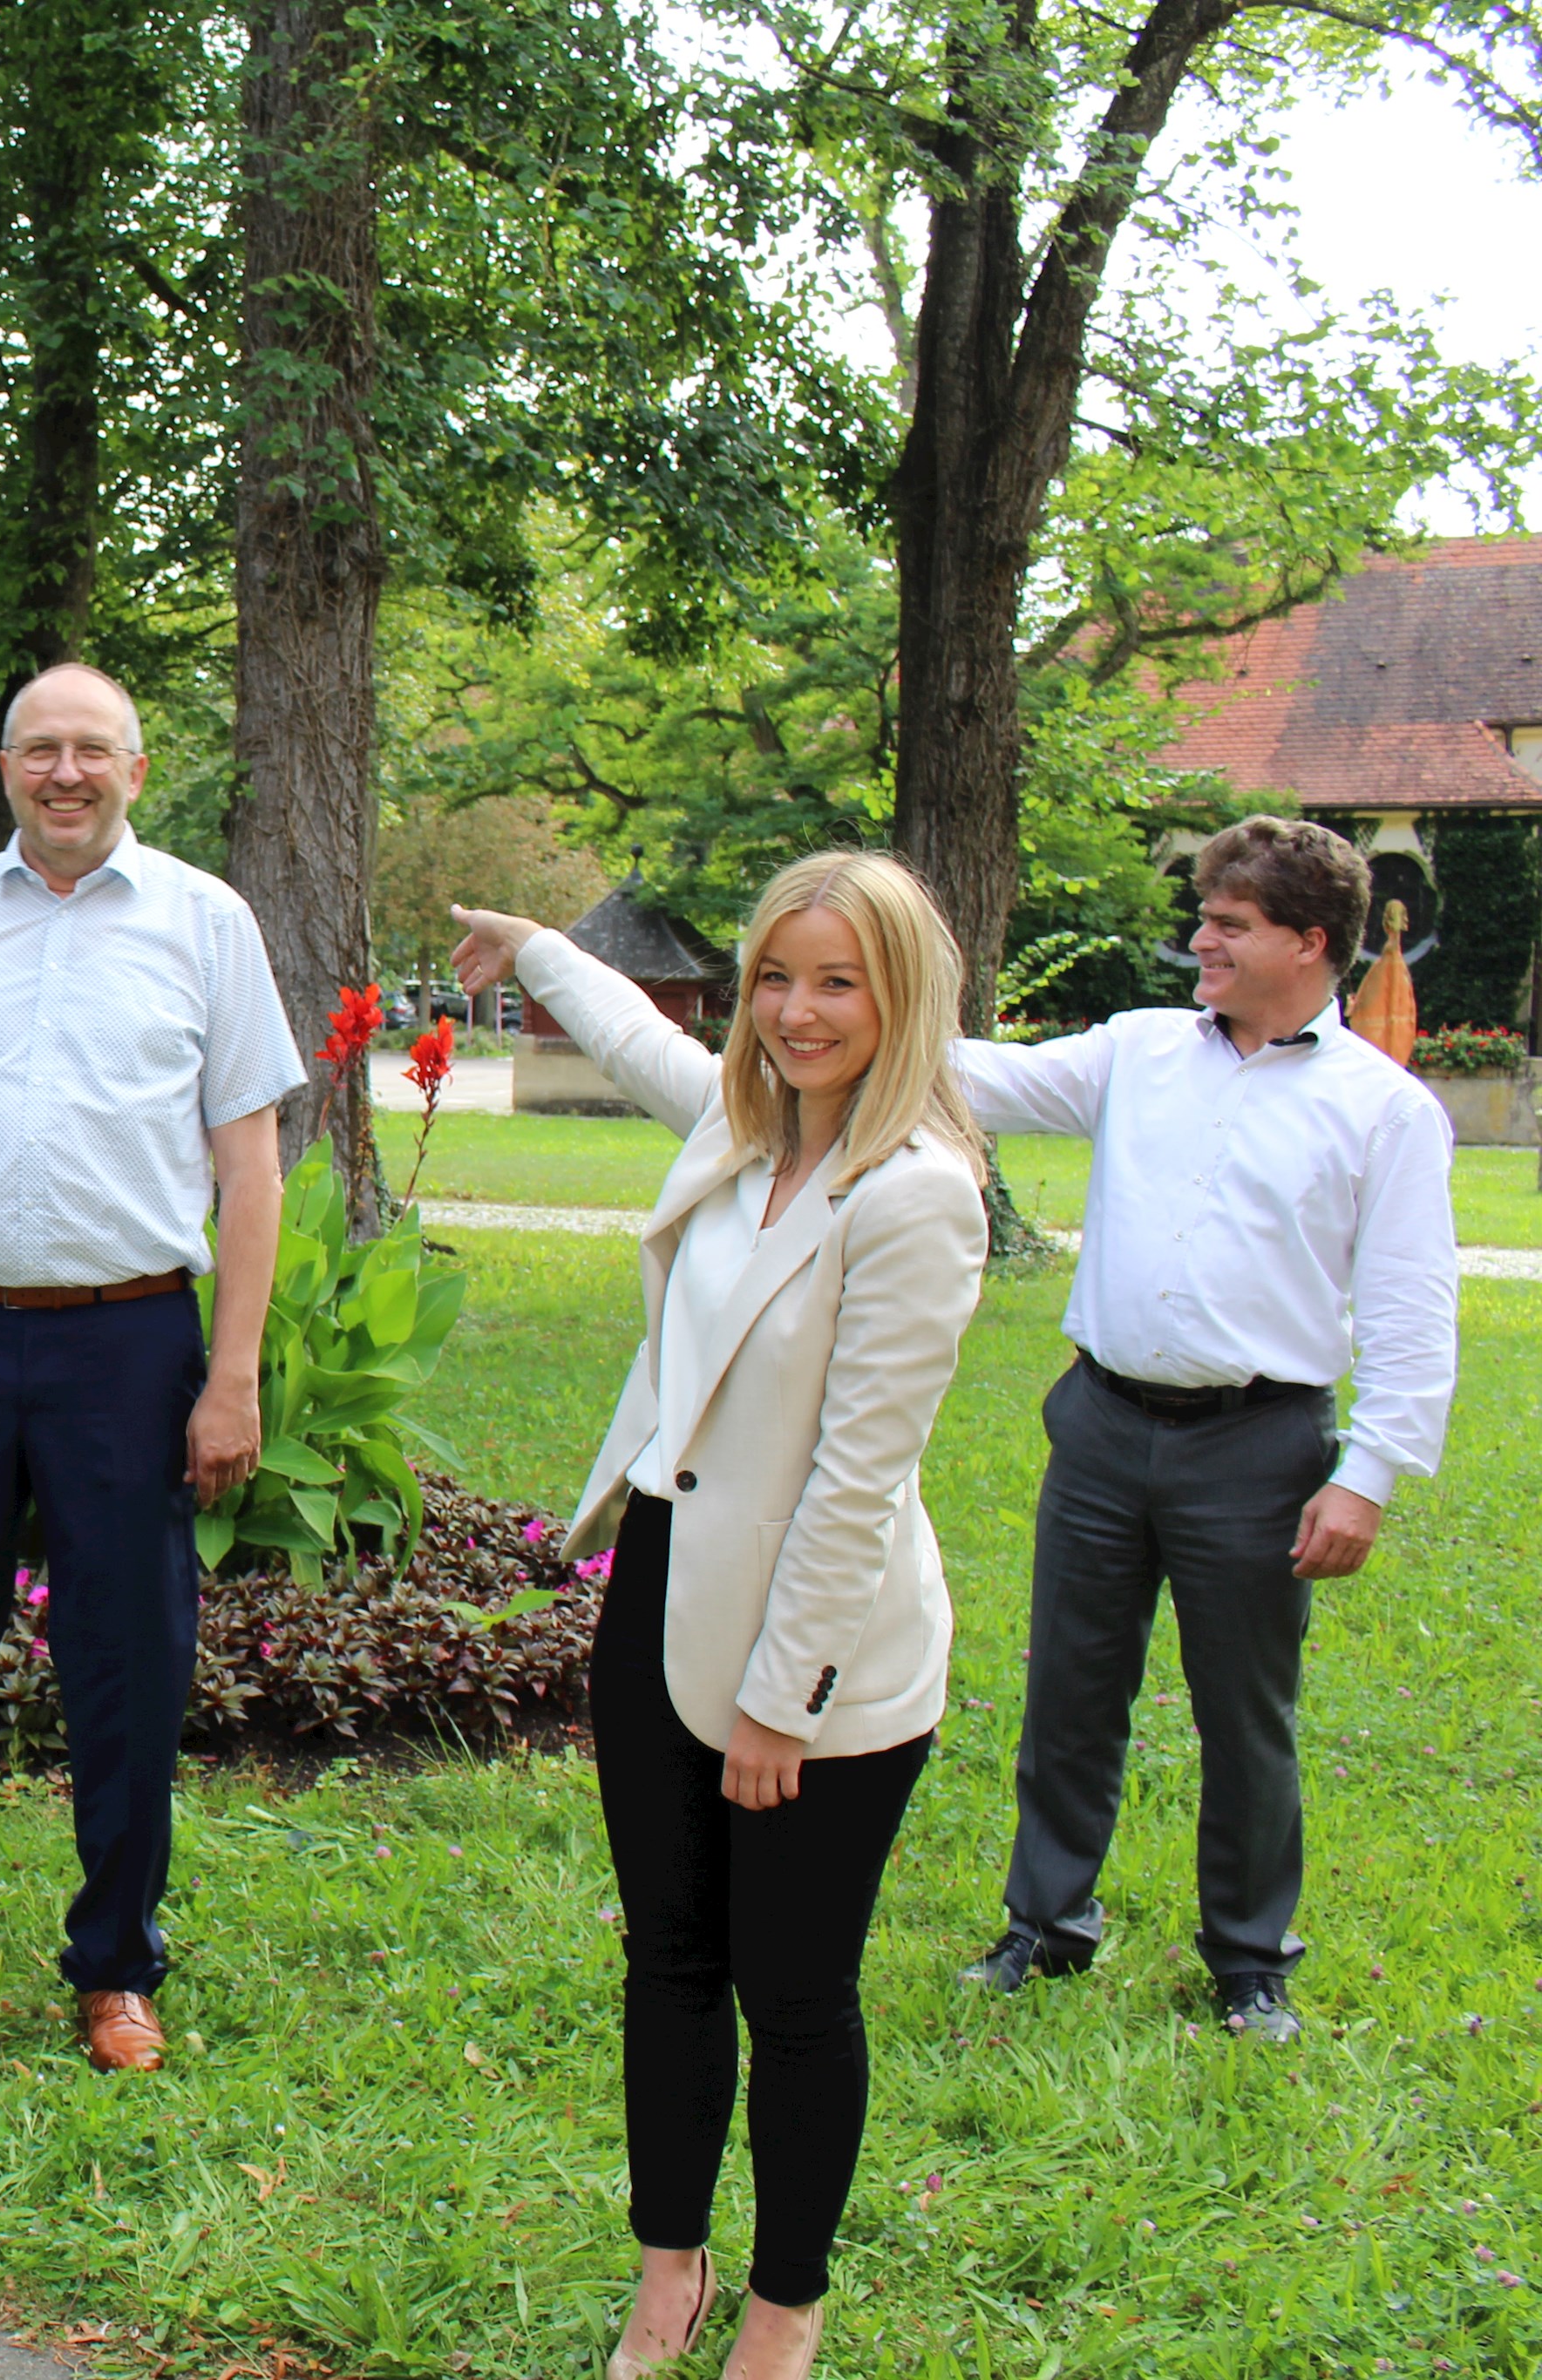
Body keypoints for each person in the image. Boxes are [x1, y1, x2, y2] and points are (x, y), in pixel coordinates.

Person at [450, 852, 988, 2380]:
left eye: (839, 981)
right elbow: (643, 1045)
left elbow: (858, 1480)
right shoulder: (745, 1139)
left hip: (821, 1654)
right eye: (775, 976)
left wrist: (782, 1700)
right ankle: (666, 2270)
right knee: (667, 1965)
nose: (799, 1012)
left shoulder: (919, 1196)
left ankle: (782, 2309)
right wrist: (541, 945)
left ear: (904, 995)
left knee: (795, 1993)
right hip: (662, 1594)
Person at [0, 661, 299, 2078]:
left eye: (92, 750)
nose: (65, 772)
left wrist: (234, 1373)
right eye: (39, 749)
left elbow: (248, 1162)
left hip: (129, 1346)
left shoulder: (207, 925)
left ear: (136, 771)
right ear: (6, 767)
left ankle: (116, 1969)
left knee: (128, 1661)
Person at [946, 816, 1456, 2044]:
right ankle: (1045, 1926)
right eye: (1206, 916)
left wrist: (1368, 1475)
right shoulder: (1139, 1051)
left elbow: (1410, 1308)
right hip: (1104, 1425)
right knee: (1070, 1688)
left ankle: (1247, 1960)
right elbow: (978, 1075)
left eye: (1229, 923)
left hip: (1261, 1446)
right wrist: (853, 1001)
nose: (1200, 941)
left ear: (1309, 941)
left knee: (1245, 1710)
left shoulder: (1382, 1111)